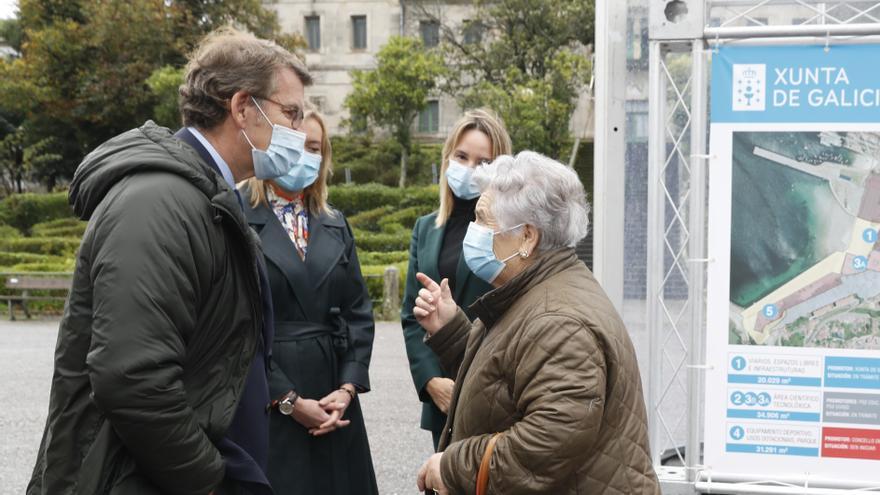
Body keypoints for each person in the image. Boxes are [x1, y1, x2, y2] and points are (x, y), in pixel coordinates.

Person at [27, 28, 312, 495]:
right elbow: (132, 377)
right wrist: (208, 479)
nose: (299, 134)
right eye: (291, 114)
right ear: (242, 107)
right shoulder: (159, 200)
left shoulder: (204, 196)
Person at [413, 152, 661, 494]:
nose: (474, 232)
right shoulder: (531, 292)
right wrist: (452, 332)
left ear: (527, 238)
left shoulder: (559, 321)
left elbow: (549, 440)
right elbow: (507, 380)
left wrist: (453, 468)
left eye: (484, 220)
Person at [241, 109, 378, 494]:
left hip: (334, 396)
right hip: (268, 394)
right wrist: (287, 400)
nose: (304, 155)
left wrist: (348, 387)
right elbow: (235, 324)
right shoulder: (237, 214)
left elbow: (358, 313)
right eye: (295, 145)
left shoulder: (333, 221)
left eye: (314, 147)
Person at [401, 109, 512, 451]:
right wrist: (430, 379)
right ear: (447, 157)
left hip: (494, 389)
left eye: (483, 162)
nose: (469, 169)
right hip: (443, 396)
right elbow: (411, 313)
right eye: (461, 156)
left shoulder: (510, 231)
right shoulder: (426, 227)